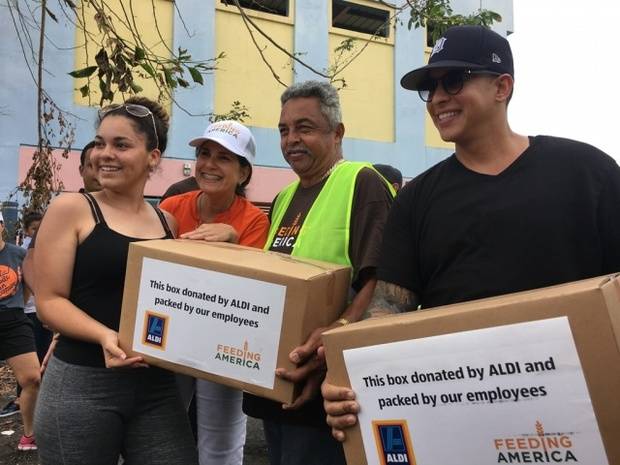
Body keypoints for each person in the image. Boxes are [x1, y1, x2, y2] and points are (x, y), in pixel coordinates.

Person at [322, 24, 620, 441]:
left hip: (585, 422)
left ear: (502, 87)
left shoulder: (590, 173)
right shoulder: (416, 200)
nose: (439, 97)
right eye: (431, 87)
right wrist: (352, 382)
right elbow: (388, 313)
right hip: (466, 423)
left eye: (455, 80)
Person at [33, 96, 198, 465]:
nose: (104, 154)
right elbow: (49, 301)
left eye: (121, 145)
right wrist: (105, 336)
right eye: (100, 143)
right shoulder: (72, 209)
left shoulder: (167, 224)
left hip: (155, 388)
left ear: (153, 157)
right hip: (81, 383)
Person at [241, 80, 394, 465]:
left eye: (304, 128)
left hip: (328, 392)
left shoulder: (363, 182)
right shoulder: (283, 199)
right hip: (278, 386)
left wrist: (336, 334)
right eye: (283, 130)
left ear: (337, 133)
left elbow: (380, 280)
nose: (291, 139)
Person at [159, 120, 269, 465]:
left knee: (220, 442)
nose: (209, 164)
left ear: (243, 173)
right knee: (161, 431)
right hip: (169, 339)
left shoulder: (253, 221)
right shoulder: (172, 207)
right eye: (204, 154)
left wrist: (234, 243)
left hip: (223, 344)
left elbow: (253, 292)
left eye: (224, 158)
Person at [0, 212, 40, 451]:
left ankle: (29, 434)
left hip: (14, 320)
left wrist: (17, 306)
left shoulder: (18, 254)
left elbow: (28, 288)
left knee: (32, 378)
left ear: (3, 226)